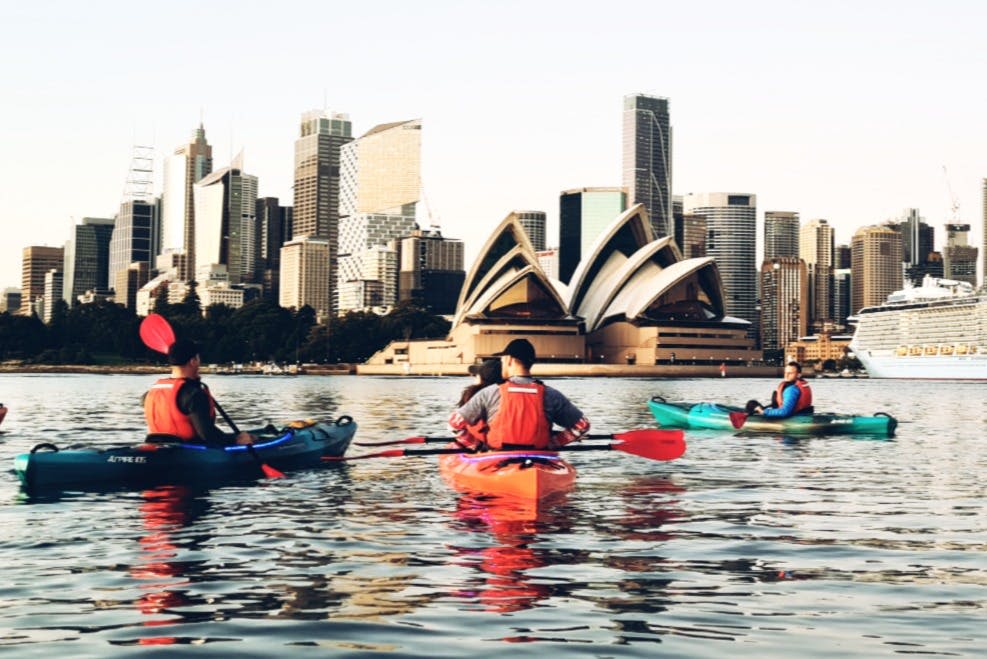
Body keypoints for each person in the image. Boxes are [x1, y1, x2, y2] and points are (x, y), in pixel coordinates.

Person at [449, 338, 590, 451]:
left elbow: (454, 424)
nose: (502, 363)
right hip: (538, 456)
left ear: (509, 359)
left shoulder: (490, 392)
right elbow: (582, 426)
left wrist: (477, 446)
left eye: (502, 360)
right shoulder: (551, 394)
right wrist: (553, 443)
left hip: (498, 456)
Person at [143, 338, 256, 445]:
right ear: (193, 361)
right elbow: (207, 435)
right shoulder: (193, 395)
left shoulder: (148, 394)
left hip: (158, 448)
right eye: (198, 358)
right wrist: (236, 440)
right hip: (190, 454)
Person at [746, 361, 813, 418]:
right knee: (773, 395)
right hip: (803, 414)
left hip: (794, 417)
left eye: (790, 373)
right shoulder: (800, 385)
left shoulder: (791, 390)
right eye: (785, 372)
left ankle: (748, 415)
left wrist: (764, 412)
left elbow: (785, 412)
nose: (786, 375)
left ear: (798, 375)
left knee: (751, 404)